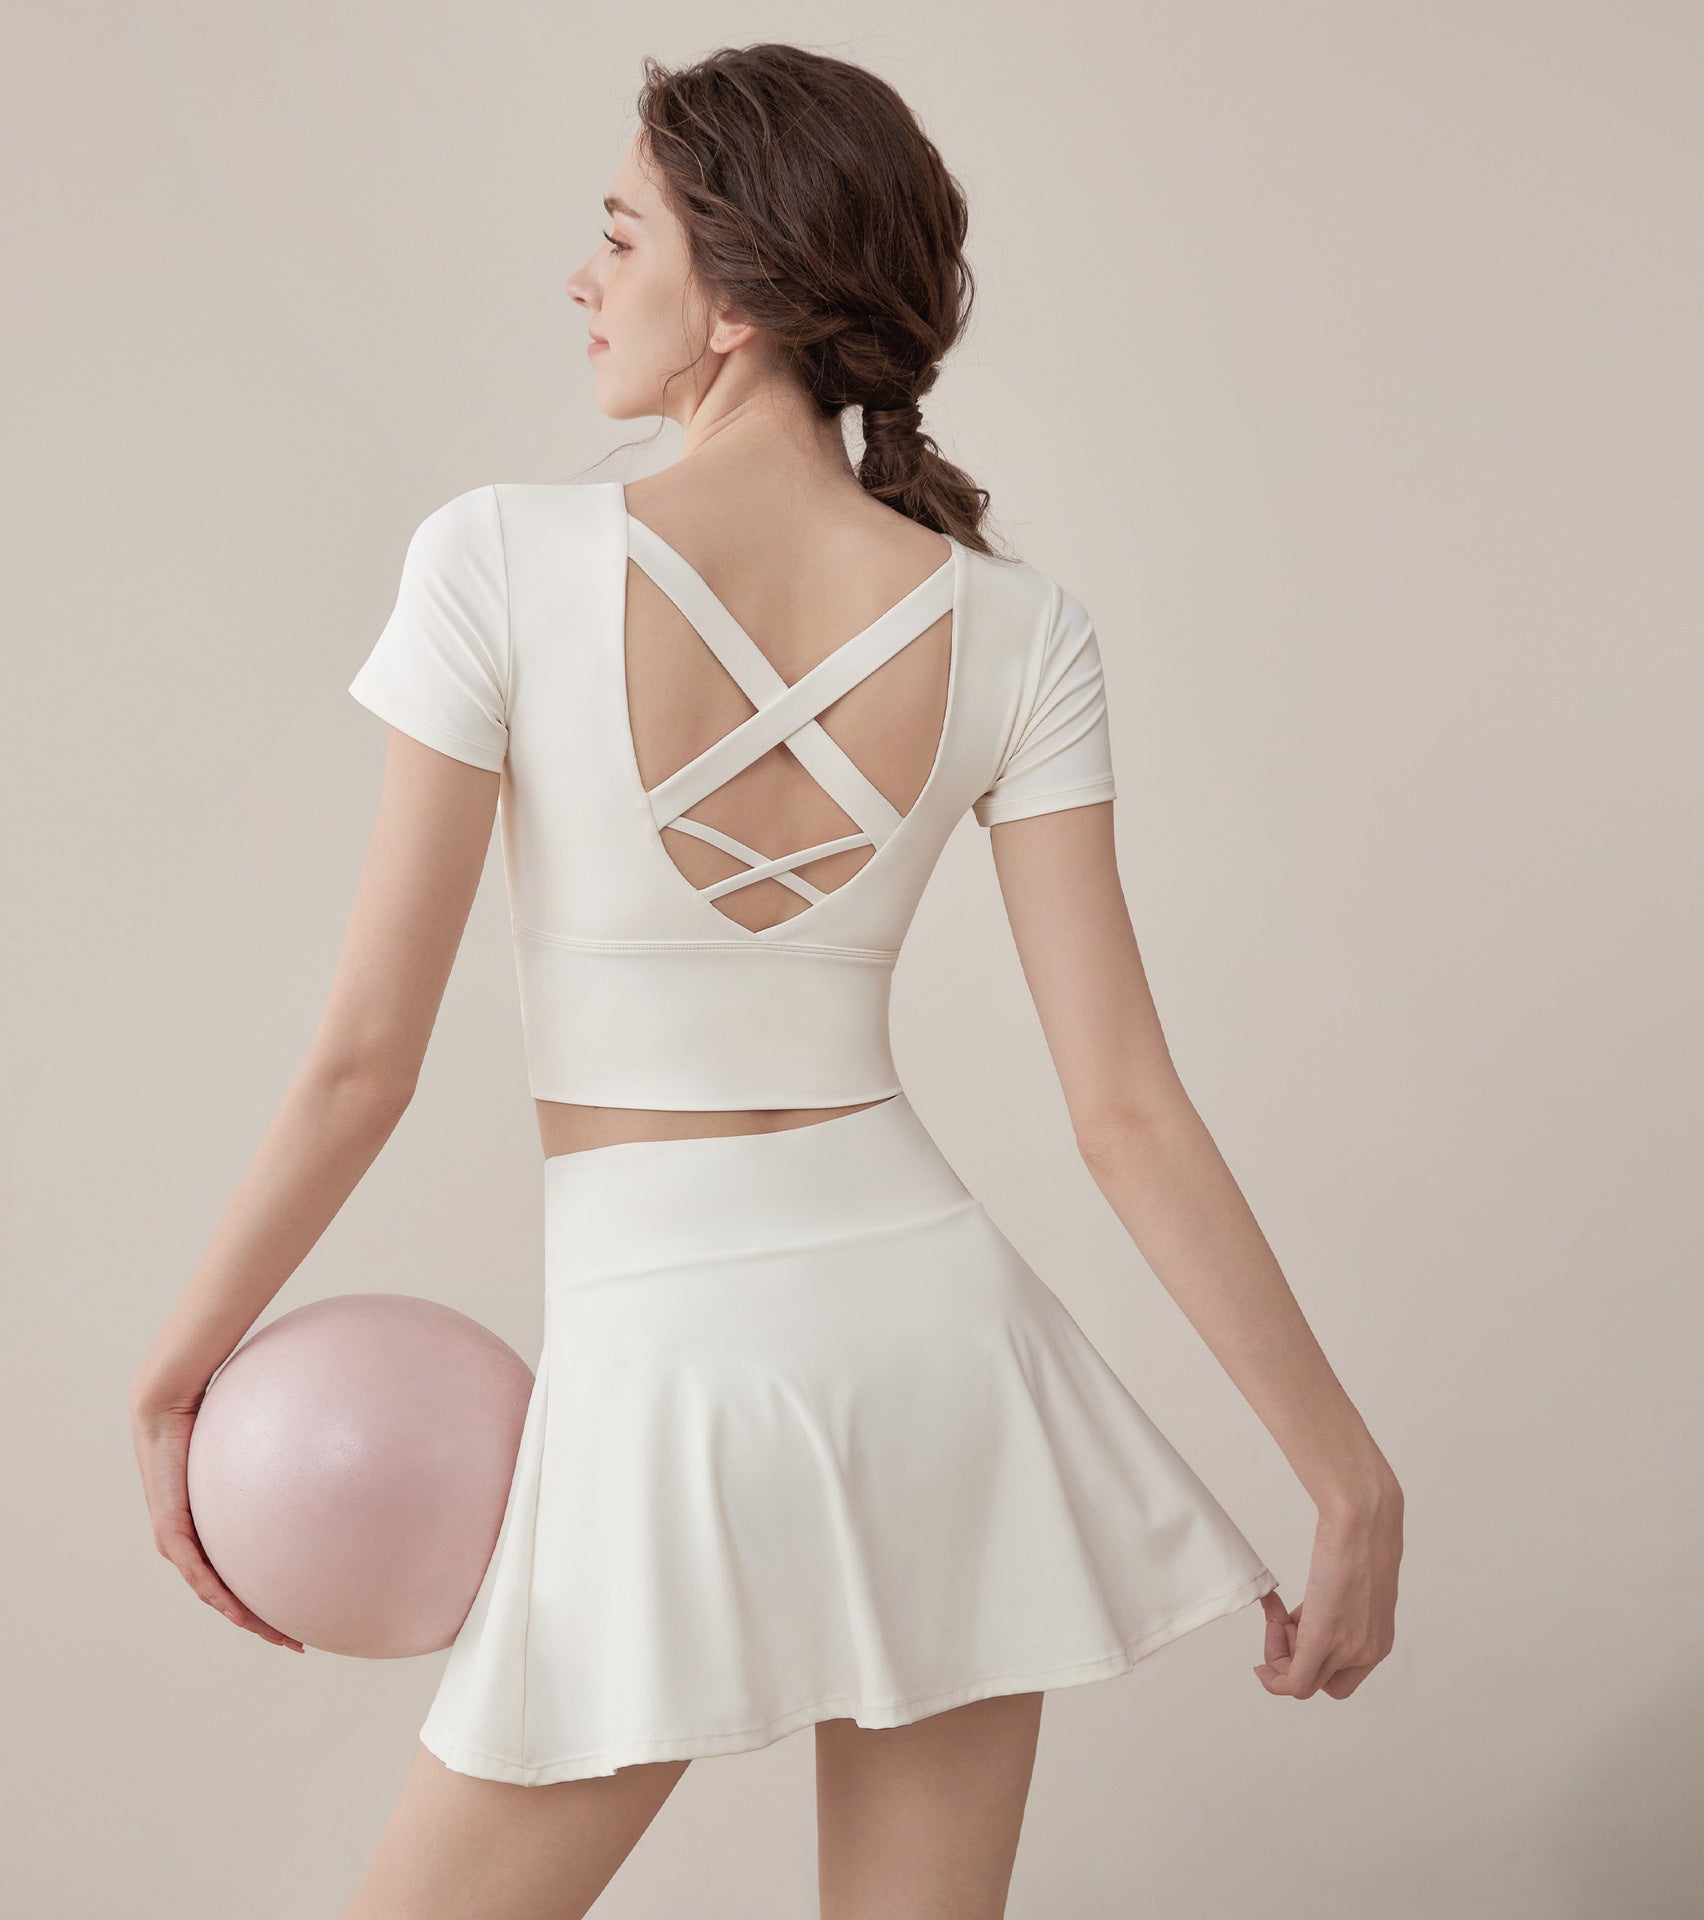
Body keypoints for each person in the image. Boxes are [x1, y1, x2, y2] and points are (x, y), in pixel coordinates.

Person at [129, 42, 1403, 1920]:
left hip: (672, 1357)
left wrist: (178, 1374)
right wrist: (1349, 1477)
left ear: (735, 300)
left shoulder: (496, 558)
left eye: (618, 233)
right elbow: (1125, 1109)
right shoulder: (1020, 632)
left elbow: (362, 1066)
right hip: (945, 1362)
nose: (581, 277)